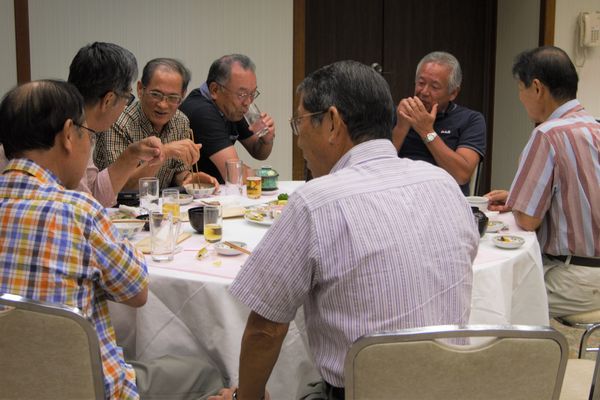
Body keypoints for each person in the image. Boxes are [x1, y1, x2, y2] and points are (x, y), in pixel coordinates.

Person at [209, 60, 479, 400]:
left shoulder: (316, 201)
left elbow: (266, 330)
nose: (299, 140)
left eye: (300, 123)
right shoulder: (444, 183)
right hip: (453, 388)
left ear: (333, 122)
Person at [485, 46, 600, 318]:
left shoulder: (547, 134)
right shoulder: (595, 125)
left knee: (492, 301)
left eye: (520, 89)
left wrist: (521, 203)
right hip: (591, 274)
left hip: (573, 279)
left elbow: (527, 220)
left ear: (537, 88)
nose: (520, 98)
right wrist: (517, 196)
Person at [0, 42, 165, 207]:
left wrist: (131, 155)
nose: (125, 106)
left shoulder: (81, 128)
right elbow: (85, 207)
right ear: (108, 100)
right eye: (127, 97)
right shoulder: (67, 132)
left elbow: (90, 195)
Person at [94, 57, 219, 190]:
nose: (163, 105)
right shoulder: (118, 122)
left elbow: (178, 172)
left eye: (173, 97)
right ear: (140, 89)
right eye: (156, 94)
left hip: (160, 201)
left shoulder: (181, 121)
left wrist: (188, 178)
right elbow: (120, 188)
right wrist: (163, 152)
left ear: (183, 96)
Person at [392, 51, 486, 195]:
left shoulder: (471, 119)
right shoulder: (397, 113)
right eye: (421, 83)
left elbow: (462, 175)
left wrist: (427, 132)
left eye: (434, 87)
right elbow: (377, 167)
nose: (424, 92)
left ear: (453, 93)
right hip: (399, 195)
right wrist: (401, 127)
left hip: (445, 197)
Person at [179, 54, 275, 183]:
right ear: (215, 90)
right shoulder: (202, 112)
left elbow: (258, 152)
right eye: (242, 94)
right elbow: (234, 175)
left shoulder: (231, 107)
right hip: (189, 191)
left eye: (252, 93)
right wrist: (266, 175)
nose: (248, 102)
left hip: (216, 190)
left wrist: (266, 140)